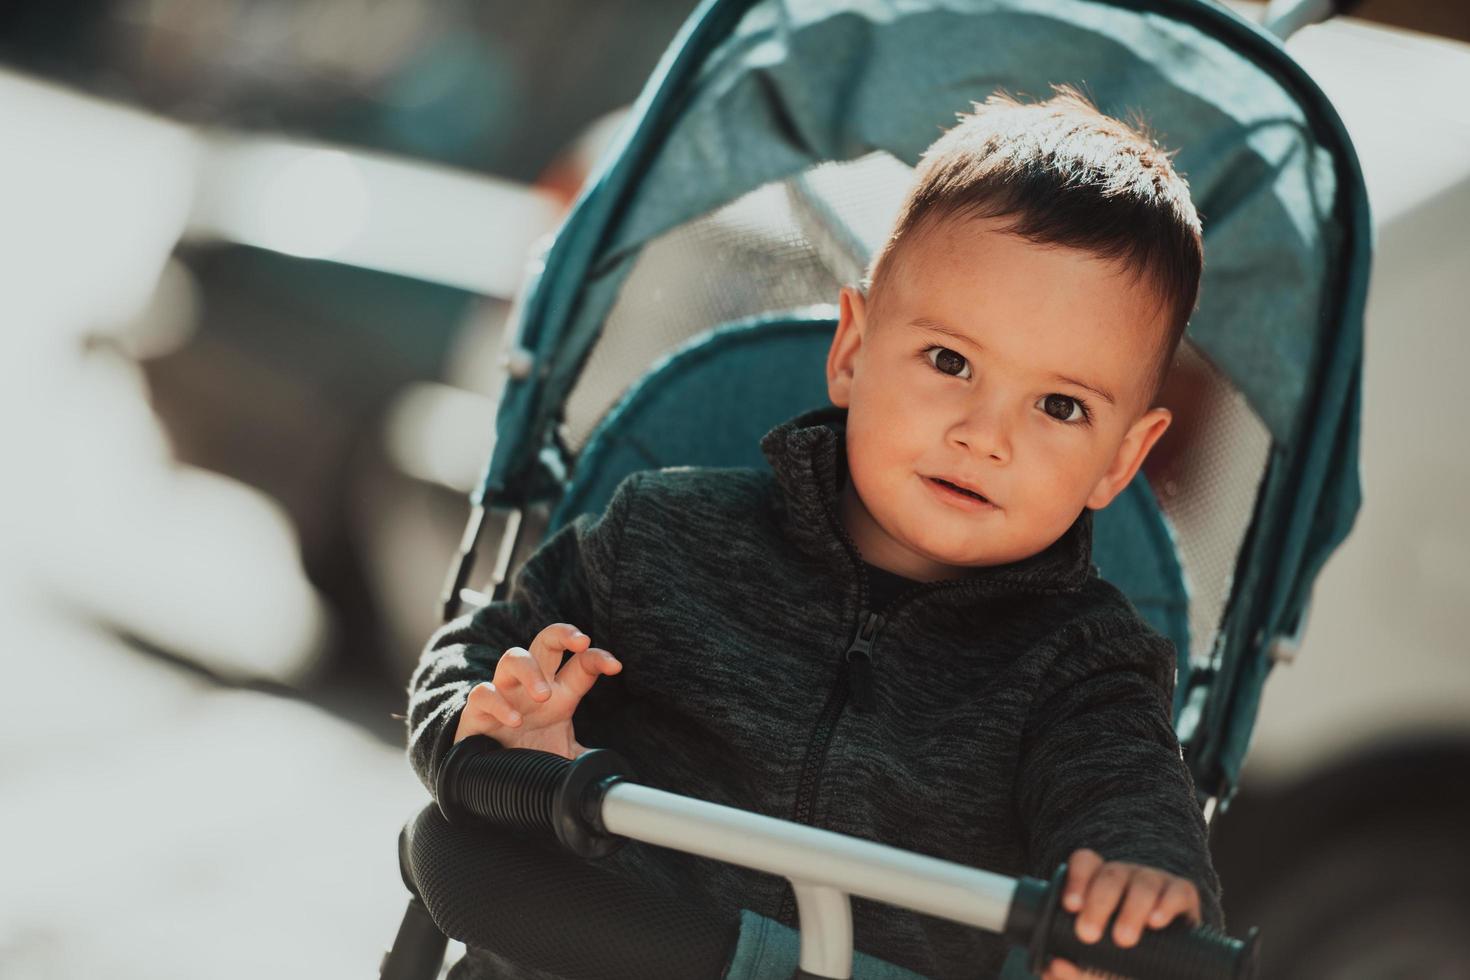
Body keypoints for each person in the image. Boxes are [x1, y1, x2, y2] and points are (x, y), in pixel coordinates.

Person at [406, 86, 1223, 980]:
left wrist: (1134, 894)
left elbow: (1126, 800)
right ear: (853, 352)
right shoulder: (663, 537)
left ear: (1122, 459)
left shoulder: (1087, 669)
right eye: (950, 362)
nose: (985, 436)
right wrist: (499, 735)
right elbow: (479, 649)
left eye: (1060, 406)